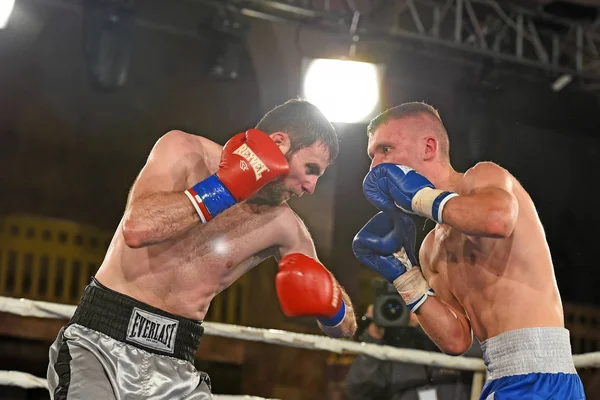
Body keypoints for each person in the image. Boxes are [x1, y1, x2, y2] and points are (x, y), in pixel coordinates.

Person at [46, 99, 357, 399]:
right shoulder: (184, 150)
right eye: (311, 168)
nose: (311, 187)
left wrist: (332, 305)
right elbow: (138, 228)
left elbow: (346, 329)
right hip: (99, 346)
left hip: (176, 367)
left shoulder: (285, 226)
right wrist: (227, 187)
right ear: (279, 143)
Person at [352, 102, 585, 399]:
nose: (375, 167)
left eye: (385, 149)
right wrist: (405, 277)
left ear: (428, 147)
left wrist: (420, 196)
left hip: (545, 376)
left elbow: (496, 220)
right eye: (372, 156)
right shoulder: (430, 250)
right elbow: (456, 340)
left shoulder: (484, 178)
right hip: (500, 380)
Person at [345, 304, 477, 400]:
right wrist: (373, 339)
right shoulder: (389, 349)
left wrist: (426, 323)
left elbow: (481, 356)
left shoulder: (458, 331)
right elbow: (358, 391)